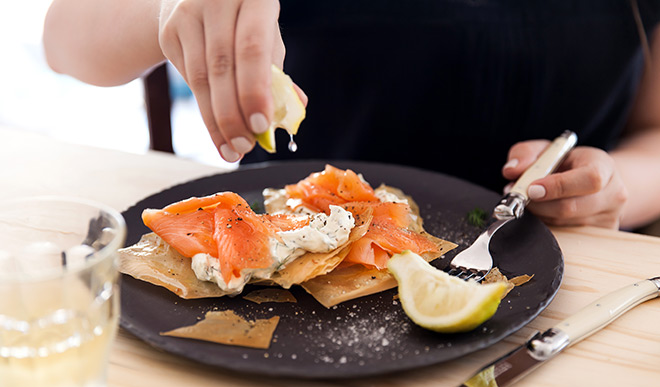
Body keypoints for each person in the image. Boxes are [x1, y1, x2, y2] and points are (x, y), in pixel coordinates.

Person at [42, 0, 660, 230]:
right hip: (288, 277)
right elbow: (64, 37)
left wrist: (615, 187)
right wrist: (165, 11)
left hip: (564, 280)